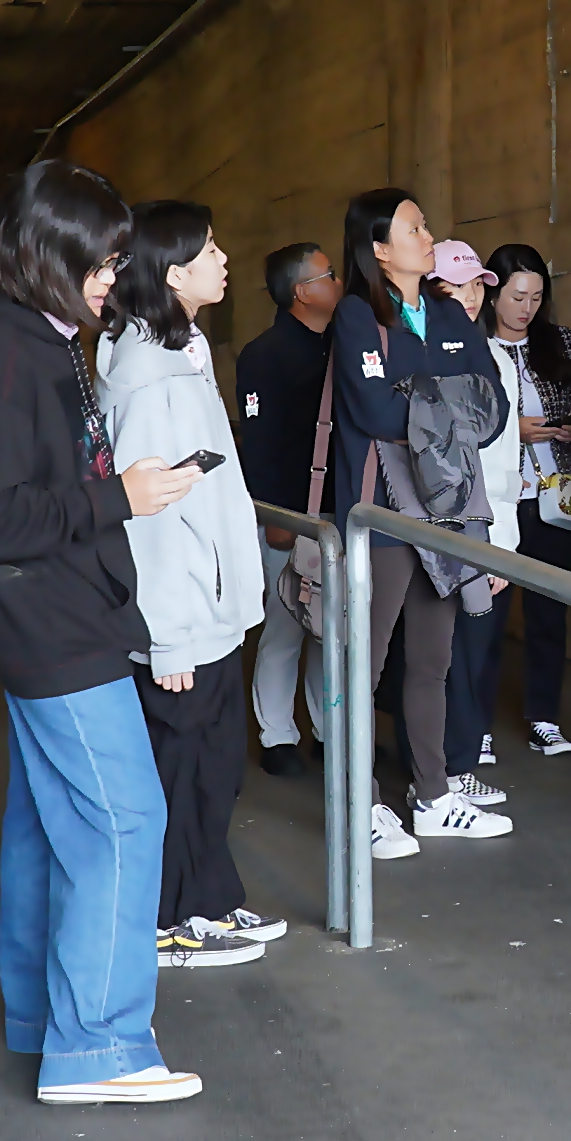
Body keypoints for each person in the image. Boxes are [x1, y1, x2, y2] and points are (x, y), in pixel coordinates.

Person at [0, 158, 205, 1106]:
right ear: (45, 253)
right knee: (125, 818)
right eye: (99, 260)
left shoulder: (30, 334)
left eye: (117, 259)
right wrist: (117, 497)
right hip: (49, 618)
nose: (112, 277)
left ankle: (43, 1019)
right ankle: (98, 1046)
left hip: (58, 609)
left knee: (50, 826)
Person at [100, 201, 290, 968]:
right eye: (209, 249)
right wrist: (169, 634)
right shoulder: (149, 375)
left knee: (214, 767)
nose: (224, 259)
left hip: (206, 604)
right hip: (179, 613)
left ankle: (209, 897)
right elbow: (147, 514)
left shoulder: (184, 351)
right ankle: (169, 918)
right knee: (181, 773)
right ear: (173, 272)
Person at [329, 188, 512, 855]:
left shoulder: (447, 311)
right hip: (381, 510)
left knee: (432, 660)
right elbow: (374, 410)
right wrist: (445, 400)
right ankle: (361, 803)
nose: (428, 235)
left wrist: (420, 399)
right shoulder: (357, 315)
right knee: (366, 663)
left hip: (446, 507)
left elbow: (492, 404)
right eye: (414, 228)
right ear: (379, 248)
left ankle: (433, 797)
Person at [234, 241, 339, 778]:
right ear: (302, 292)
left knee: (331, 628)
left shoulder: (342, 345)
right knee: (285, 624)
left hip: (341, 513)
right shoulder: (264, 354)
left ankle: (328, 732)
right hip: (289, 515)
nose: (338, 283)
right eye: (329, 275)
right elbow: (260, 443)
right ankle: (277, 735)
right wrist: (273, 515)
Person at [483, 242, 571, 756]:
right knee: (486, 613)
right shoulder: (474, 346)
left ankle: (544, 716)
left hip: (552, 498)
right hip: (498, 501)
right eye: (517, 296)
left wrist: (570, 427)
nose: (527, 308)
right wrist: (514, 431)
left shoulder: (559, 341)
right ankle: (476, 723)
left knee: (549, 612)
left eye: (536, 297)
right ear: (492, 294)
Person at [424, 240, 518, 798]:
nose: (471, 296)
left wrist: (501, 542)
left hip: (486, 528)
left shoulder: (494, 358)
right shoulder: (417, 352)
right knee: (441, 655)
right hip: (435, 527)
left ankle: (458, 763)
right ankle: (447, 774)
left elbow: (503, 463)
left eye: (478, 284)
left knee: (471, 650)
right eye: (456, 285)